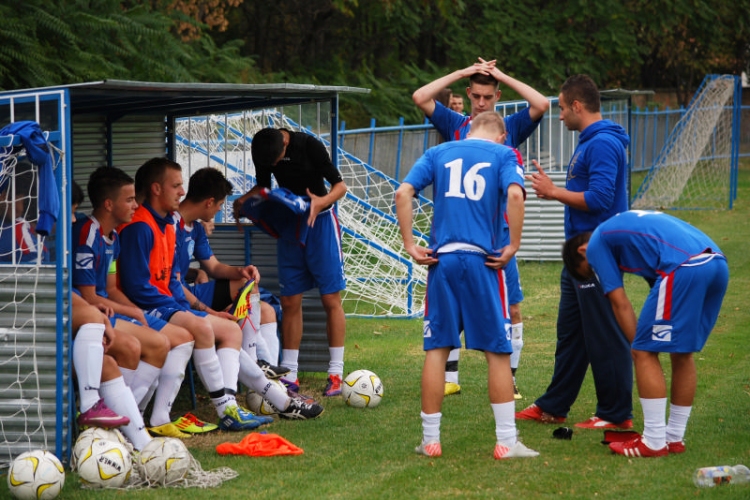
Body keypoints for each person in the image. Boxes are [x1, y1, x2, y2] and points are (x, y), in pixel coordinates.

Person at [118, 158, 322, 422]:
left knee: (241, 317)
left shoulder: (168, 224)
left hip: (172, 302)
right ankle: (244, 405)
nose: (182, 192)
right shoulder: (145, 226)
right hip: (155, 306)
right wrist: (201, 310)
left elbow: (176, 278)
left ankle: (264, 396)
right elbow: (139, 286)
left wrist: (208, 302)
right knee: (205, 330)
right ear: (157, 189)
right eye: (177, 185)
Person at [395, 111, 538, 459]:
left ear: (469, 130)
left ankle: (431, 441)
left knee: (437, 349)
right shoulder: (504, 154)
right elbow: (516, 197)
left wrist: (410, 244)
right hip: (481, 259)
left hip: (442, 260)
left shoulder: (439, 152)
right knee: (498, 352)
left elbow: (403, 192)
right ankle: (506, 442)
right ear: (502, 136)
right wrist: (514, 245)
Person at [412, 57, 550, 398]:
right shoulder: (456, 125)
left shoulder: (509, 128)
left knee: (511, 307)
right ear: (468, 93)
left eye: (488, 97)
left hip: (496, 237)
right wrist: (459, 72)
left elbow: (542, 104)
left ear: (497, 95)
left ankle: (511, 377)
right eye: (476, 96)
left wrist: (501, 73)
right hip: (455, 235)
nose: (481, 103)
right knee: (450, 308)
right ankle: (450, 377)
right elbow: (420, 97)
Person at [562, 210, 728, 457]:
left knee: (643, 352)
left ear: (582, 252)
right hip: (716, 264)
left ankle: (653, 441)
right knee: (682, 353)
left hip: (684, 266)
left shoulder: (595, 243)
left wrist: (637, 348)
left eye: (591, 270)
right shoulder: (626, 232)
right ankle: (673, 438)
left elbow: (620, 303)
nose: (598, 272)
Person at [518, 74, 633, 429]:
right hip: (577, 256)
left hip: (596, 254)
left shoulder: (601, 145)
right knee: (572, 333)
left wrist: (553, 192)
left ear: (578, 106)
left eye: (563, 108)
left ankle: (616, 415)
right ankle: (555, 404)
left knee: (604, 332)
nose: (560, 115)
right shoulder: (589, 142)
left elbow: (599, 198)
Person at [72, 168, 218, 439]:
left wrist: (134, 312)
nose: (135, 205)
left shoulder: (112, 237)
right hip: (93, 313)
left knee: (178, 338)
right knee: (155, 343)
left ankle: (131, 418)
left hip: (110, 308)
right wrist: (133, 311)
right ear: (108, 204)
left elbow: (112, 289)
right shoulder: (87, 234)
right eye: (129, 200)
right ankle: (122, 420)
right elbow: (89, 296)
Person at [233, 127, 348, 397]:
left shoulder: (310, 145)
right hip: (291, 225)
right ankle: (290, 373)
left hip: (321, 223)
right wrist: (244, 201)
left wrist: (321, 202)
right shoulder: (262, 148)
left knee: (330, 298)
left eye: (276, 162)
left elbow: (340, 186)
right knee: (289, 300)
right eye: (269, 164)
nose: (273, 166)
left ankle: (336, 374)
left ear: (285, 144)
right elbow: (263, 188)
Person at [173, 167, 288, 379]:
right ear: (209, 202)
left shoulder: (196, 229)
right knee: (251, 311)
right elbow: (172, 283)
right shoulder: (171, 227)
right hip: (174, 298)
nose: (218, 211)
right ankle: (258, 368)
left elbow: (214, 267)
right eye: (218, 205)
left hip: (188, 291)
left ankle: (265, 369)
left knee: (251, 288)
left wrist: (241, 270)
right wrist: (209, 310)